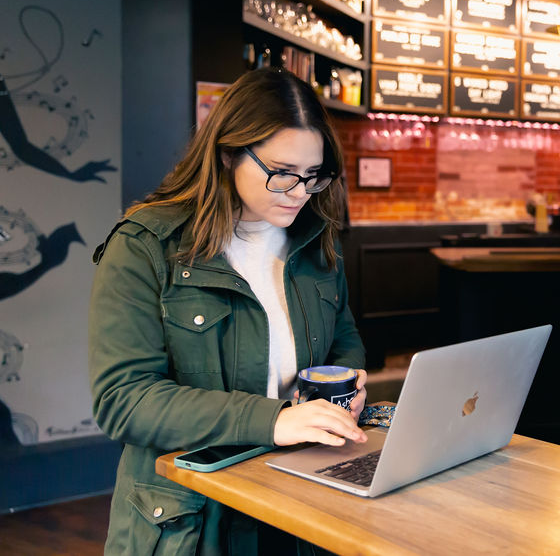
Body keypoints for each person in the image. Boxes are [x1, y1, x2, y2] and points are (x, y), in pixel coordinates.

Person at [88, 68, 368, 555]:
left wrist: (347, 382)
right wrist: (273, 420)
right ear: (227, 153)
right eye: (282, 172)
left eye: (314, 175)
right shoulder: (145, 245)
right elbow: (124, 399)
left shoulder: (315, 237)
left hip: (302, 503)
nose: (300, 192)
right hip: (189, 522)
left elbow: (343, 336)